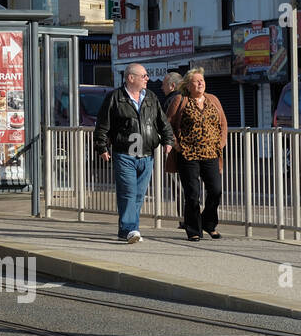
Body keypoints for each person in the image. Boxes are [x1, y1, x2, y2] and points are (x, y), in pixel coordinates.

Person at [94, 63, 175, 244]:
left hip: (146, 154)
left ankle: (129, 230)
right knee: (128, 193)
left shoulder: (151, 97)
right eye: (144, 76)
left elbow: (163, 122)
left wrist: (168, 140)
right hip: (124, 154)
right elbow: (103, 125)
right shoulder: (115, 97)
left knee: (138, 195)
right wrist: (102, 147)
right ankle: (130, 229)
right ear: (131, 78)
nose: (147, 79)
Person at [166, 68, 228, 241]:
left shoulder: (212, 100)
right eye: (196, 81)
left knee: (215, 190)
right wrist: (178, 146)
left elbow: (223, 123)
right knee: (192, 194)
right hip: (188, 155)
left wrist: (220, 144)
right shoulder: (180, 100)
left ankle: (208, 223)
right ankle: (193, 229)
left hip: (210, 153)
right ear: (188, 85)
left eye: (202, 80)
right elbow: (167, 125)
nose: (201, 83)